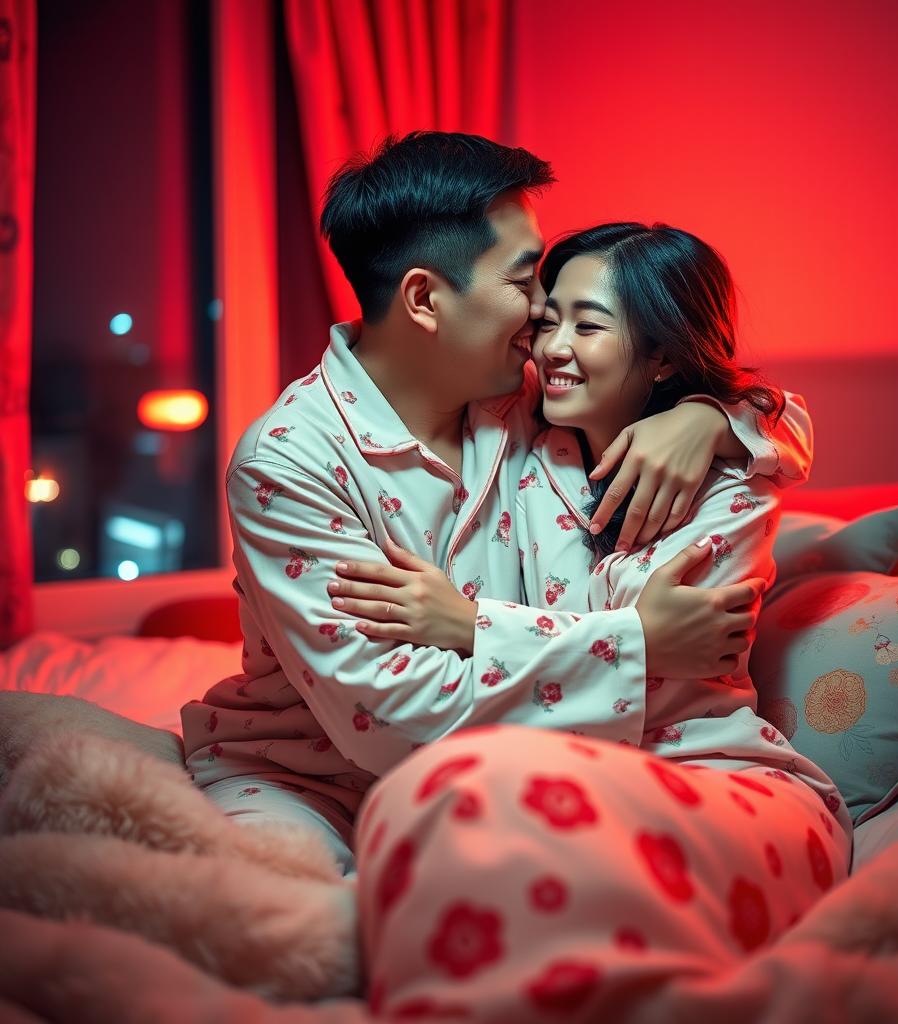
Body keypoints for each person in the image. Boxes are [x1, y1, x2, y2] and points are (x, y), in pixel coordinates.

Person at [180, 133, 814, 875]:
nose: (544, 313)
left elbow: (779, 422)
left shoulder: (530, 404)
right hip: (308, 779)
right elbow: (387, 719)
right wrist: (634, 642)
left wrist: (707, 417)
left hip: (513, 766)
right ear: (424, 299)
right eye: (525, 281)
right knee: (286, 915)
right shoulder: (290, 461)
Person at [335, 223, 851, 1018]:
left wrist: (472, 624)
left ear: (664, 355)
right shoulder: (524, 447)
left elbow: (784, 423)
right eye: (548, 322)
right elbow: (634, 632)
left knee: (481, 813)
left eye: (590, 324)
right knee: (449, 812)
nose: (555, 348)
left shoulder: (728, 487)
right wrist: (714, 414)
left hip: (712, 777)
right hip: (559, 776)